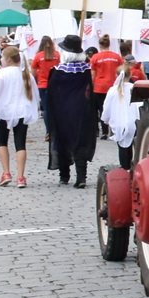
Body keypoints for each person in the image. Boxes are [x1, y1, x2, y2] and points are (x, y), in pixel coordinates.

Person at [46, 34, 97, 188]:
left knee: (62, 140)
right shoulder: (86, 71)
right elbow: (89, 91)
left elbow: (51, 94)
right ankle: (81, 177)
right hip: (82, 109)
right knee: (81, 142)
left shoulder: (57, 71)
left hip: (62, 110)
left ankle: (64, 175)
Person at [0, 46, 38, 189]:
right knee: (20, 144)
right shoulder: (26, 74)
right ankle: (21, 176)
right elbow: (35, 94)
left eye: (2, 57)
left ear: (8, 59)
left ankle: (6, 172)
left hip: (3, 111)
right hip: (22, 111)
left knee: (2, 142)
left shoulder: (2, 73)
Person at [102, 64, 143, 168]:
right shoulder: (134, 88)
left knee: (123, 147)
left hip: (119, 123)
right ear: (130, 75)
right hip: (134, 122)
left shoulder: (112, 90)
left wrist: (106, 119)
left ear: (116, 75)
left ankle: (125, 168)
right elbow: (140, 105)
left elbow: (107, 107)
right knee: (135, 146)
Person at [88, 35, 124, 138]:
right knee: (113, 109)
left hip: (99, 87)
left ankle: (100, 131)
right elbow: (121, 72)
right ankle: (112, 130)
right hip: (113, 86)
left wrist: (90, 86)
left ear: (100, 45)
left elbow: (92, 74)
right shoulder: (117, 57)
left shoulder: (95, 57)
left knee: (98, 109)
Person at [31, 35, 59, 145]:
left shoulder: (38, 56)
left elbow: (33, 71)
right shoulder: (57, 55)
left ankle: (48, 132)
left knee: (46, 109)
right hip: (56, 84)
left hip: (43, 85)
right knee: (56, 109)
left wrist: (39, 76)